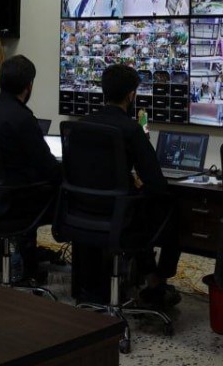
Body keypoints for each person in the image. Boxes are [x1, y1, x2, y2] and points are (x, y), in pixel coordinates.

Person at [78, 64, 182, 308]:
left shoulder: (82, 124)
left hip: (83, 211)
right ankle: (157, 282)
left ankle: (144, 279)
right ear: (131, 95)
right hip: (120, 215)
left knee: (138, 214)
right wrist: (138, 183)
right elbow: (157, 183)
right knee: (171, 209)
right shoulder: (131, 129)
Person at [0, 55, 60, 280]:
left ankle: (28, 261)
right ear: (28, 86)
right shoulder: (23, 118)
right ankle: (31, 268)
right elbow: (47, 166)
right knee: (62, 192)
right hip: (14, 200)